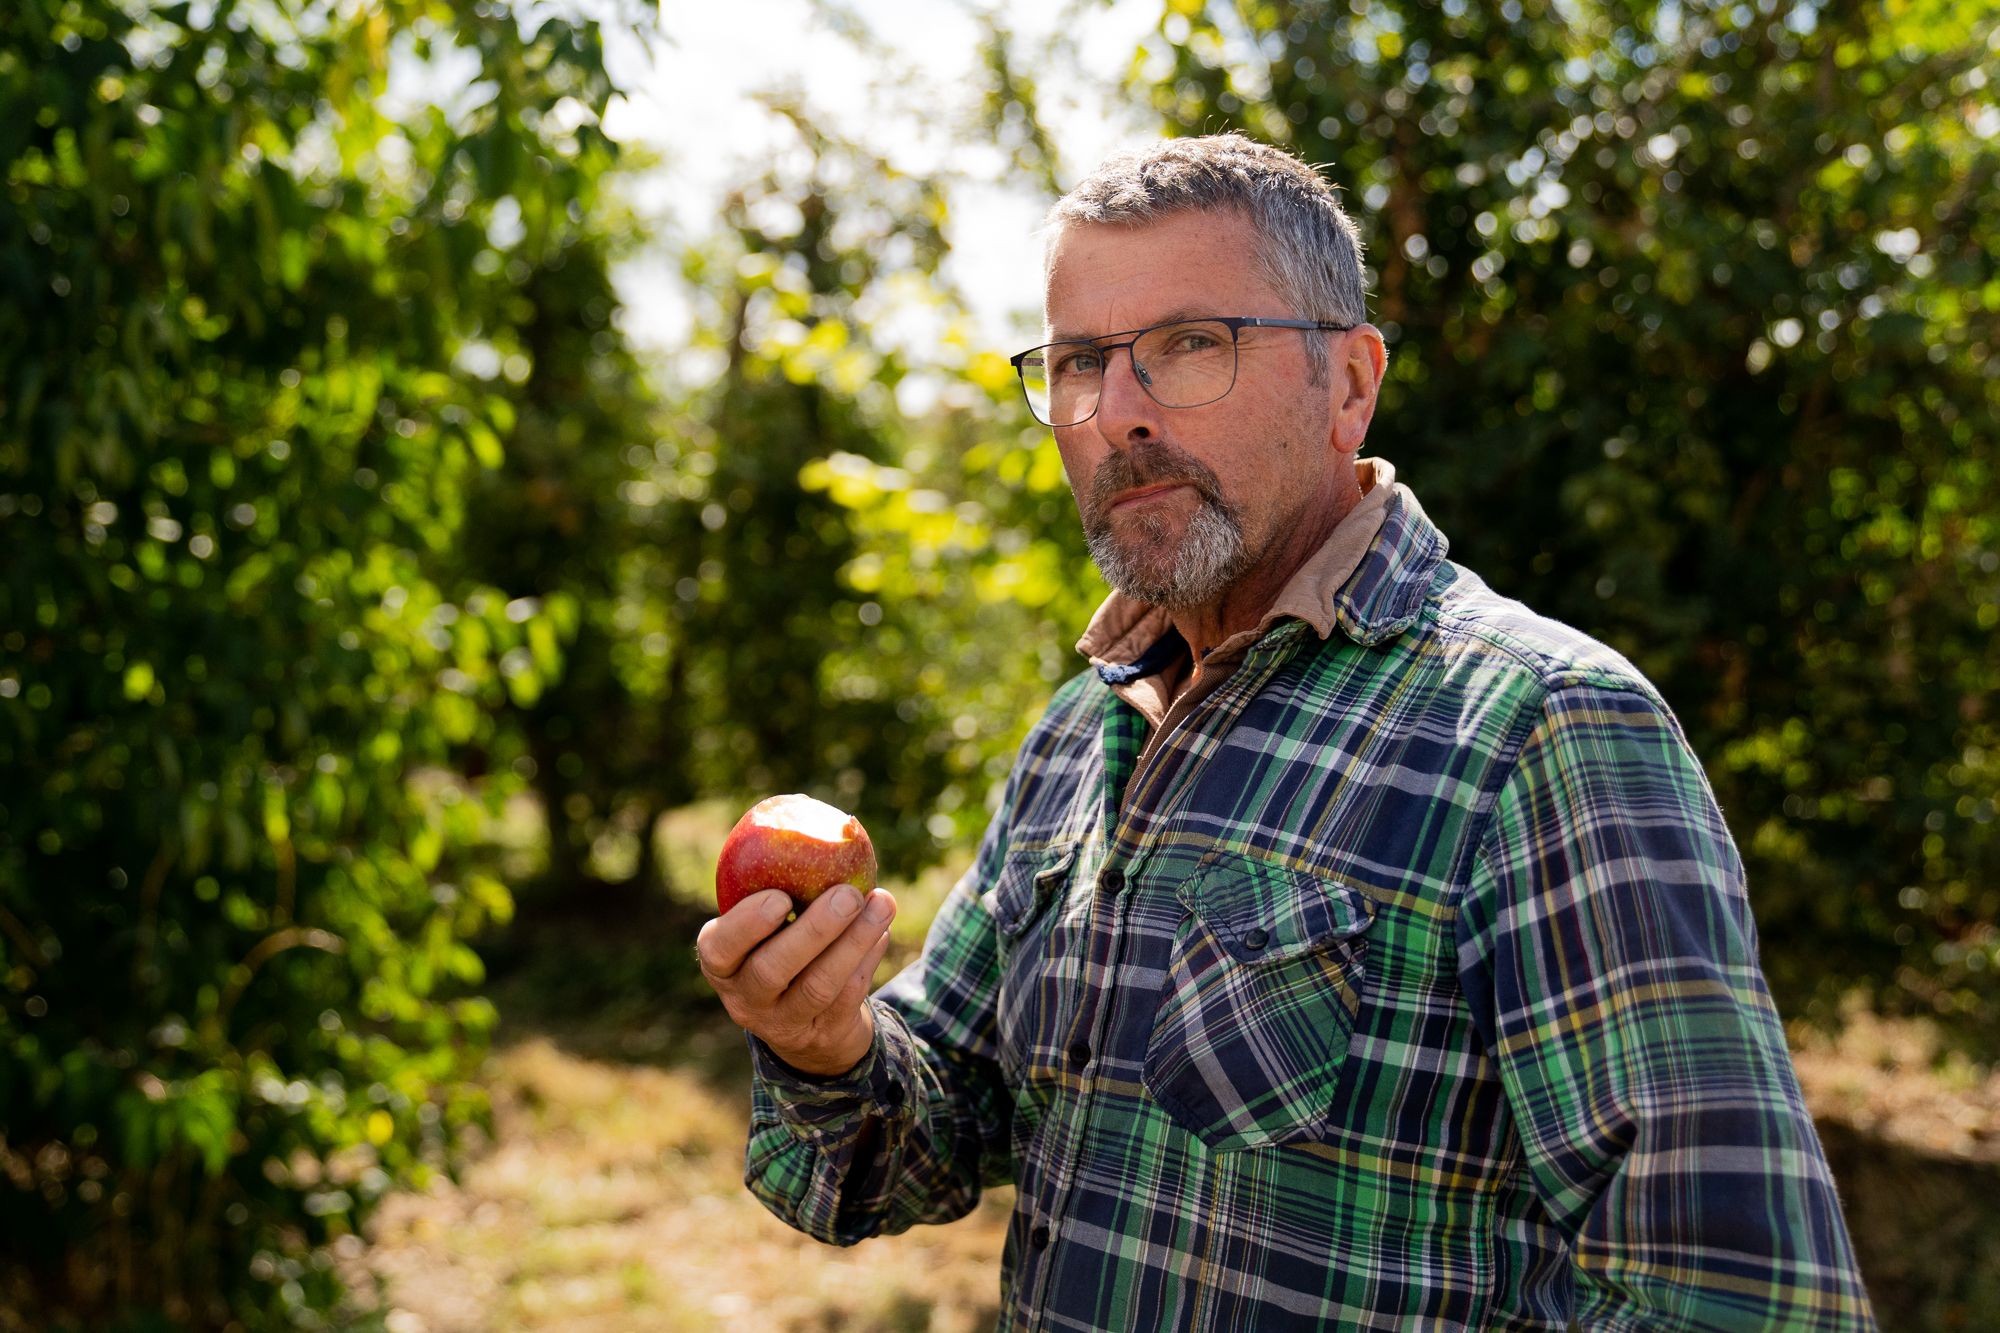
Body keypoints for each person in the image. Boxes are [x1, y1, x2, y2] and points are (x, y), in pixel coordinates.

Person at [695, 133, 1876, 1330]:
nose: (1114, 414)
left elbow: (1738, 1302)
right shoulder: (1078, 734)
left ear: (1349, 383)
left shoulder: (1541, 728)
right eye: (1076, 362)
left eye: (1188, 347)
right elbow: (930, 1131)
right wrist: (819, 1039)